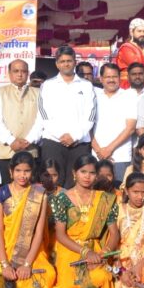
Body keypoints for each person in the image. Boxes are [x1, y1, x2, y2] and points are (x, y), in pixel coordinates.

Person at [0, 151, 56, 288]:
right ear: (10, 171)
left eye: (27, 171)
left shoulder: (40, 195)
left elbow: (39, 233)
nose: (22, 175)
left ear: (32, 172)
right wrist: (5, 264)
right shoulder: (1, 194)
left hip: (32, 251)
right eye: (18, 170)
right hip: (5, 250)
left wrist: (27, 264)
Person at [51, 155, 119, 288]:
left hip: (96, 251)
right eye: (83, 172)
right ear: (74, 173)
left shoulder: (105, 199)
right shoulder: (62, 198)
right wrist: (86, 253)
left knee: (102, 277)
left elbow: (114, 233)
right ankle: (62, 287)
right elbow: (60, 234)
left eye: (92, 173)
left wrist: (105, 253)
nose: (87, 177)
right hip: (70, 249)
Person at [38, 46, 96, 188]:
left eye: (69, 61)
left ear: (75, 62)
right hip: (53, 141)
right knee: (53, 183)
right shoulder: (48, 85)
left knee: (77, 184)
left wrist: (75, 136)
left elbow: (91, 115)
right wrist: (61, 136)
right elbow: (43, 114)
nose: (66, 64)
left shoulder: (86, 86)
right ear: (57, 64)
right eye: (62, 61)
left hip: (79, 143)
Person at [0, 60, 41, 185]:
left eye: (23, 71)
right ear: (9, 74)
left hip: (30, 149)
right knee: (8, 190)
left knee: (30, 189)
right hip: (7, 150)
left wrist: (28, 140)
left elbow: (40, 120)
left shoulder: (37, 93)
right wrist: (11, 141)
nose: (20, 74)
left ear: (28, 73)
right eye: (16, 71)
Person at [91, 63, 137, 183]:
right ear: (101, 79)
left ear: (120, 78)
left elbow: (130, 128)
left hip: (120, 156)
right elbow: (88, 126)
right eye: (108, 77)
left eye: (115, 76)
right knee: (95, 191)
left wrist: (109, 149)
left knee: (119, 190)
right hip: (96, 155)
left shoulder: (129, 95)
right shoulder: (94, 95)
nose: (111, 80)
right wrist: (98, 150)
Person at [116, 18, 144, 90]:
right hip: (129, 86)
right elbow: (137, 68)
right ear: (131, 32)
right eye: (139, 31)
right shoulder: (126, 48)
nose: (142, 34)